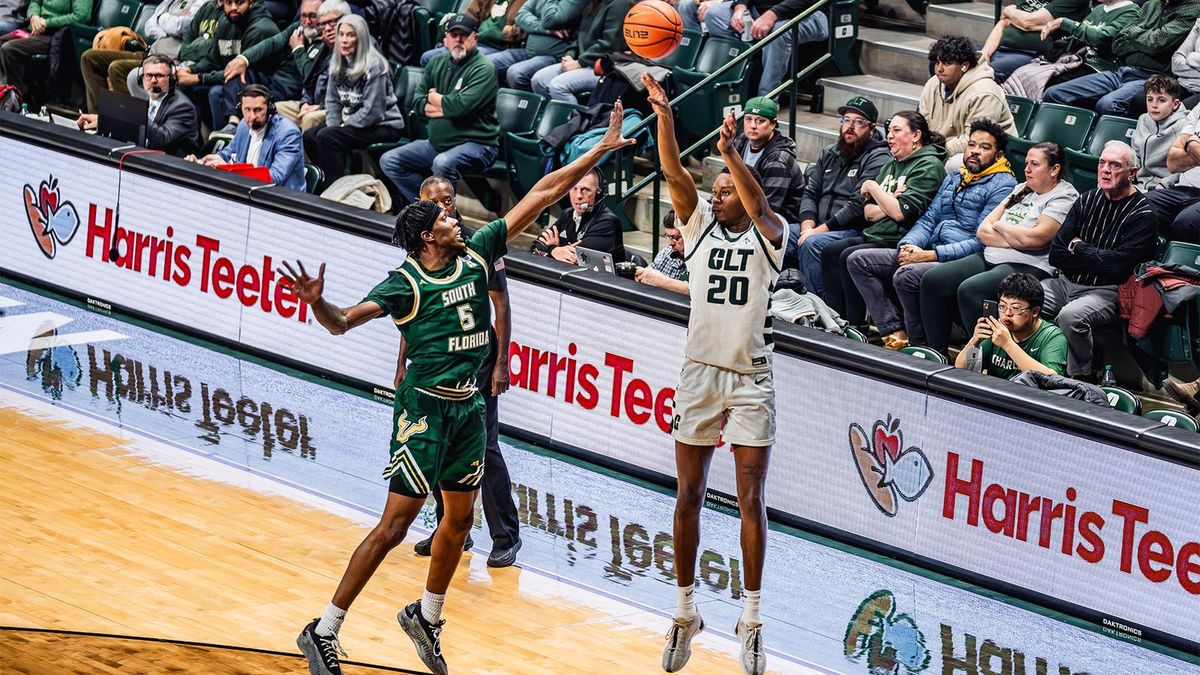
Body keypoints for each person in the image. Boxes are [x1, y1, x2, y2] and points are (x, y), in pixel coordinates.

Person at [287, 102, 634, 675]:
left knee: (459, 520)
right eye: (444, 218)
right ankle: (323, 628)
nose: (456, 217)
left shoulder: (478, 252)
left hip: (468, 408)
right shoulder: (405, 281)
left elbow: (543, 193)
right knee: (396, 525)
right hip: (423, 410)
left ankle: (426, 614)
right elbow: (343, 321)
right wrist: (317, 301)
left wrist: (596, 151)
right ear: (428, 237)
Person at [644, 72, 784, 675]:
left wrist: (730, 154)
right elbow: (675, 171)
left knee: (750, 499)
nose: (719, 194)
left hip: (750, 377)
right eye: (717, 190)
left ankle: (750, 620)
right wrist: (666, 115)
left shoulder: (771, 236)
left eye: (728, 189)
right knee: (688, 496)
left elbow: (760, 205)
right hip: (700, 373)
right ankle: (684, 611)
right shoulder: (698, 228)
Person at [404, 176, 522, 569]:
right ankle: (452, 530)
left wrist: (502, 362)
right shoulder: (420, 248)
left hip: (479, 358)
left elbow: (501, 305)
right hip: (440, 359)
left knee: (485, 448)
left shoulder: (474, 242)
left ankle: (506, 535)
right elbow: (415, 316)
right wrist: (402, 364)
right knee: (442, 445)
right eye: (436, 203)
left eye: (450, 200)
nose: (446, 208)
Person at [847, 119, 1016, 350]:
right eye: (972, 145)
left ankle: (920, 347)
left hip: (958, 260)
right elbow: (928, 219)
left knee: (906, 275)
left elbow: (980, 241)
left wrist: (930, 255)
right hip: (927, 250)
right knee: (858, 260)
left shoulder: (1003, 184)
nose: (975, 151)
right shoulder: (954, 177)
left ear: (998, 156)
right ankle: (894, 331)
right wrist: (908, 245)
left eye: (984, 147)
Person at [919, 142, 1079, 355]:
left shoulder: (1064, 196)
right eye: (1026, 163)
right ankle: (936, 355)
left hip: (1028, 264)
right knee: (932, 280)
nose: (1027, 169)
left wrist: (1002, 226)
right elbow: (982, 231)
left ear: (1054, 169)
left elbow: (1037, 239)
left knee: (971, 290)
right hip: (991, 255)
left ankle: (984, 359)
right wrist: (1016, 237)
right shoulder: (1021, 188)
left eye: (1034, 164)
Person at [821, 111, 947, 330]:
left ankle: (861, 325)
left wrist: (873, 187)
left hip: (900, 239)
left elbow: (899, 213)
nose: (889, 136)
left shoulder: (928, 166)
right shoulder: (892, 163)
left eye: (896, 131)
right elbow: (868, 212)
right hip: (876, 232)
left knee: (847, 255)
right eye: (888, 131)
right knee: (830, 251)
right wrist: (889, 199)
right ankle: (839, 321)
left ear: (916, 135)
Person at [1044, 141, 1158, 380]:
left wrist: (1078, 246)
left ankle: (1081, 378)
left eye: (1115, 165)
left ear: (1132, 173)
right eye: (1102, 163)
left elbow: (1115, 268)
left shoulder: (1143, 214)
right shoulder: (1086, 200)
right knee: (1020, 298)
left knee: (1070, 316)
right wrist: (1099, 257)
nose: (1105, 169)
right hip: (1064, 283)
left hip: (1106, 292)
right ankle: (1034, 365)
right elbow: (1056, 254)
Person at [380, 14, 499, 205]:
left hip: (478, 144)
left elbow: (457, 108)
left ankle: (445, 220)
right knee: (390, 160)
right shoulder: (436, 63)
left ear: (475, 38)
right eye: (454, 34)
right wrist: (446, 105)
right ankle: (431, 210)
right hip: (437, 143)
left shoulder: (484, 68)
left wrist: (433, 96)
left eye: (464, 35)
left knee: (442, 163)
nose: (458, 39)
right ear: (446, 39)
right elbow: (417, 102)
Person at [793, 96, 890, 295]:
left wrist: (817, 232)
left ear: (871, 129)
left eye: (858, 122)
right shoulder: (829, 153)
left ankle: (818, 310)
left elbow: (856, 205)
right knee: (779, 234)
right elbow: (811, 192)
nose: (850, 126)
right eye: (846, 120)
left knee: (812, 244)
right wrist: (807, 225)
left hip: (852, 230)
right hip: (817, 226)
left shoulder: (879, 157)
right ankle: (779, 301)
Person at [1042, 0, 1200, 117]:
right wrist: (1141, 39)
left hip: (1153, 77)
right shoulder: (1151, 4)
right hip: (1122, 70)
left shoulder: (1192, 9)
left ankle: (1113, 154)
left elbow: (1156, 44)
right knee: (1053, 94)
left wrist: (1134, 36)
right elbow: (1118, 43)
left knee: (1108, 104)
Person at [303, 14, 405, 192]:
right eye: (341, 34)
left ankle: (337, 190)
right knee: (310, 137)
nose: (344, 40)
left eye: (350, 35)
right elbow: (332, 101)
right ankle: (333, 178)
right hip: (353, 122)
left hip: (384, 125)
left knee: (328, 137)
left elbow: (372, 112)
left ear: (361, 38)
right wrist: (335, 124)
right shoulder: (337, 63)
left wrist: (342, 126)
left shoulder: (375, 66)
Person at [676, 0, 828, 97]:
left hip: (810, 12)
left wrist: (772, 14)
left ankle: (766, 99)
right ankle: (735, 80)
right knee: (714, 15)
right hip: (761, 12)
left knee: (779, 32)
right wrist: (739, 9)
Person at [216, 0, 327, 132]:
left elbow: (312, 78)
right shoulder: (299, 28)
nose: (307, 21)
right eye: (303, 16)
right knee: (238, 72)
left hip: (294, 90)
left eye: (312, 16)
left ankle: (239, 131)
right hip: (276, 81)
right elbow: (272, 43)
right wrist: (243, 59)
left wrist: (298, 49)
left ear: (323, 16)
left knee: (239, 95)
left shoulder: (327, 42)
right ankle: (233, 123)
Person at [79, 0, 204, 114]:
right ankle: (96, 118)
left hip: (170, 61)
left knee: (117, 68)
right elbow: (149, 27)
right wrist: (168, 27)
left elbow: (183, 26)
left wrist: (161, 19)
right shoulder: (170, 1)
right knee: (90, 58)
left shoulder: (202, 3)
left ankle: (128, 121)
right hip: (150, 54)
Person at [1001, 0, 1139, 100]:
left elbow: (1102, 37)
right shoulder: (1099, 9)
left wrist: (1064, 23)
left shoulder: (1131, 11)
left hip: (1098, 67)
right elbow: (1078, 34)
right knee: (1023, 73)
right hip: (1075, 60)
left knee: (1049, 85)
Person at [175, 0, 281, 130]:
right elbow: (213, 60)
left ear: (251, 2)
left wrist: (199, 78)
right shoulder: (226, 23)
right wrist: (190, 70)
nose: (233, 8)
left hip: (265, 84)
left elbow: (240, 72)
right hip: (230, 81)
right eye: (228, 3)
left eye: (239, 2)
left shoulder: (261, 29)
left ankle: (225, 139)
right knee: (184, 87)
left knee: (216, 93)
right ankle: (190, 142)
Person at [76, 55, 202, 157]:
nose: (153, 80)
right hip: (148, 157)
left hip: (174, 168)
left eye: (159, 76)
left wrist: (133, 112)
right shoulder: (148, 99)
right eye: (148, 76)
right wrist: (104, 120)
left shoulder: (183, 107)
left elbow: (162, 139)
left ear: (171, 79)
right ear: (141, 79)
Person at [191, 84, 306, 191]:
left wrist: (230, 170)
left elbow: (275, 178)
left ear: (270, 108)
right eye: (247, 110)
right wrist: (200, 163)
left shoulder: (288, 133)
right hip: (248, 193)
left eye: (258, 110)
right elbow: (226, 155)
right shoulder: (243, 126)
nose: (252, 116)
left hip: (282, 201)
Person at [918, 36, 1017, 160]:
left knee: (956, 162)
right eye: (938, 62)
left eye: (947, 63)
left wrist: (933, 152)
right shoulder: (933, 83)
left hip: (985, 154)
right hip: (939, 149)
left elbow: (975, 140)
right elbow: (923, 122)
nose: (939, 69)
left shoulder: (984, 93)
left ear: (964, 66)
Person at [955, 272, 1069, 379]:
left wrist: (1008, 344)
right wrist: (973, 342)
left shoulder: (1053, 337)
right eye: (1002, 306)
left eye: (1015, 308)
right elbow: (960, 370)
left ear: (1035, 312)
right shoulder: (999, 330)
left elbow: (1052, 379)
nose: (1007, 314)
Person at [529, 0, 629, 103]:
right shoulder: (593, 4)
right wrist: (569, 56)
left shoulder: (620, 4)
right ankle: (552, 116)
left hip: (604, 67)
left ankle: (575, 118)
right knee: (539, 80)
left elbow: (610, 45)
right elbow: (578, 37)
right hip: (582, 62)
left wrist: (580, 62)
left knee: (558, 86)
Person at [729, 97, 805, 229]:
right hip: (745, 212)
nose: (753, 125)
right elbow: (726, 181)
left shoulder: (778, 159)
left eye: (760, 121)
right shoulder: (741, 142)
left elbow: (767, 211)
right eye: (748, 119)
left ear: (773, 124)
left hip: (780, 224)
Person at [0, 0, 91, 107]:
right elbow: (35, 2)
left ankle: (19, 100)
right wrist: (34, 17)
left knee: (9, 49)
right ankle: (5, 94)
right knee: (2, 42)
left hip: (58, 34)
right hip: (36, 29)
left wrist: (47, 23)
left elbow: (81, 16)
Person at [979, 0, 1091, 82]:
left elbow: (1028, 22)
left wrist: (1009, 11)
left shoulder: (1075, 2)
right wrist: (985, 54)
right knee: (967, 61)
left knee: (984, 73)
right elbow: (1004, 22)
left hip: (1029, 54)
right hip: (999, 49)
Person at [531, 167, 626, 262]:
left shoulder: (608, 222)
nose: (578, 196)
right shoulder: (567, 214)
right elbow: (536, 245)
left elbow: (574, 259)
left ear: (599, 193)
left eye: (585, 190)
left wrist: (551, 248)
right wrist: (553, 249)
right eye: (574, 188)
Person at [493, 0, 583, 89]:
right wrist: (546, 30)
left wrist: (542, 25)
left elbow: (551, 20)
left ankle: (528, 103)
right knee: (490, 64)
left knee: (516, 73)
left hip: (554, 56)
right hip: (528, 51)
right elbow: (520, 15)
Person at [1146, 96, 1200, 241]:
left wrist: (1191, 145)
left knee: (1186, 222)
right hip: (1184, 188)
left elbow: (1186, 147)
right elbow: (1173, 162)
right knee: (1140, 207)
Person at [420, 0, 526, 66]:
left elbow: (525, 30)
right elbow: (469, 18)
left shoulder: (527, 2)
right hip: (473, 41)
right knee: (428, 57)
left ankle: (448, 98)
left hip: (502, 47)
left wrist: (503, 34)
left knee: (468, 62)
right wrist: (455, 33)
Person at [1134, 75, 1190, 190]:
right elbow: (1136, 154)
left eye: (1161, 100)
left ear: (1175, 104)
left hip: (1167, 189)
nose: (1154, 105)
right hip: (1140, 184)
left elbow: (1188, 167)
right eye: (1150, 99)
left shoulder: (1185, 126)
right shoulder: (1143, 120)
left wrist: (1165, 184)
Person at [635, 210, 690, 295]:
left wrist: (659, 281)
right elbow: (650, 273)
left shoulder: (701, 260)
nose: (670, 243)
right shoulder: (666, 252)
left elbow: (692, 291)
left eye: (675, 238)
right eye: (668, 237)